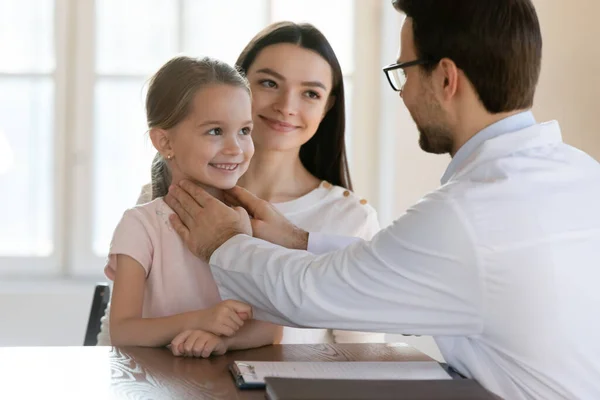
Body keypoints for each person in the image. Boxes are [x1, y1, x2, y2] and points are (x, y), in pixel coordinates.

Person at [163, 1, 600, 399]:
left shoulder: (466, 214)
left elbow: (310, 294)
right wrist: (301, 239)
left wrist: (223, 241)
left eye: (405, 71)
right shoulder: (582, 174)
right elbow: (406, 272)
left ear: (446, 79)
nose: (405, 91)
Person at [100, 22, 384, 345]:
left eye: (310, 93)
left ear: (327, 106)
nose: (287, 106)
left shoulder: (352, 219)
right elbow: (115, 336)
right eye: (268, 83)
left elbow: (362, 360)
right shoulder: (159, 201)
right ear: (241, 84)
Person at [103, 55, 278, 357]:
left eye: (244, 131)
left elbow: (271, 328)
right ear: (164, 142)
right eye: (215, 131)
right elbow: (123, 330)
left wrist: (223, 341)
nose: (235, 148)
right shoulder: (140, 226)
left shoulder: (257, 221)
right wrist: (200, 320)